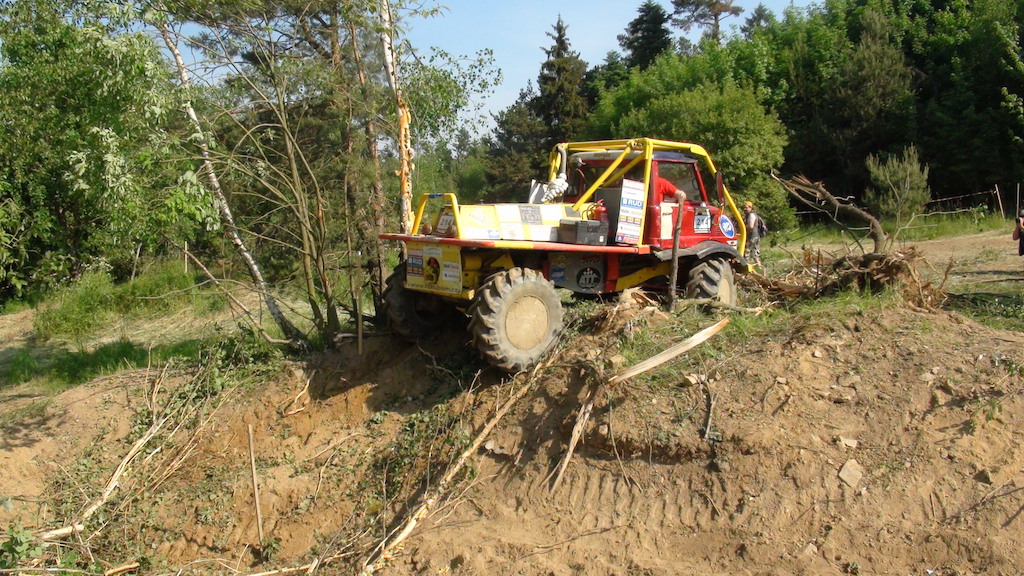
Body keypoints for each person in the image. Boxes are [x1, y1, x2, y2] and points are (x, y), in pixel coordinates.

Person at [743, 201, 764, 267]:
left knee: (747, 253)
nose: (744, 209)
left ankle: (745, 269)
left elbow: (751, 226)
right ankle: (759, 268)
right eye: (744, 207)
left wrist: (743, 227)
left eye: (746, 207)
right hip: (755, 236)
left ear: (750, 207)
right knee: (755, 253)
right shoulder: (751, 214)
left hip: (752, 237)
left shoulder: (751, 215)